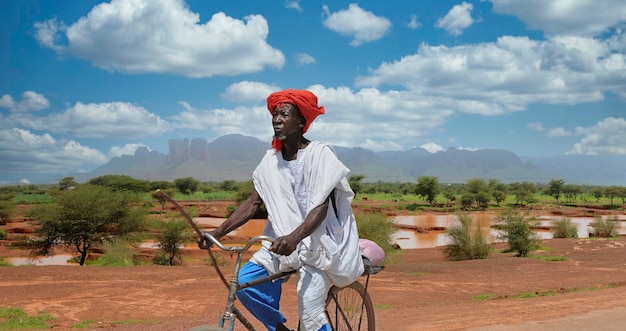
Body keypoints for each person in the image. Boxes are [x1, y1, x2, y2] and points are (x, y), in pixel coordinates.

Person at [202, 89, 364, 331]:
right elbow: (253, 204)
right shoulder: (270, 160)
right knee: (245, 283)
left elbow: (320, 209)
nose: (277, 119)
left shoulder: (320, 155)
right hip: (280, 245)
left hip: (319, 248)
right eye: (274, 114)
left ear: (301, 122)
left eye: (284, 114)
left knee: (310, 316)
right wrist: (217, 232)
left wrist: (294, 238)